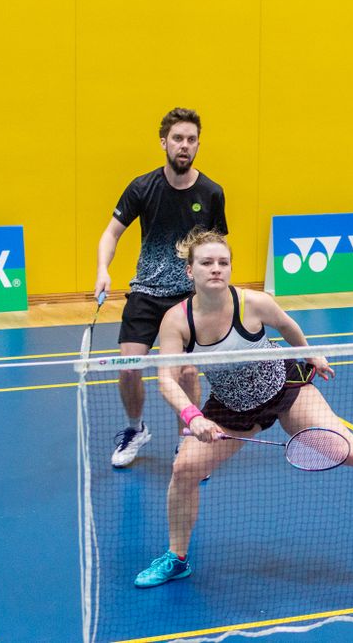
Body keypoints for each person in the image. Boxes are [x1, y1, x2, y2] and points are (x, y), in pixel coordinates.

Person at [134, 230, 353, 588]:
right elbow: (167, 379)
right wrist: (194, 417)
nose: (216, 268)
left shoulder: (254, 303)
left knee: (349, 450)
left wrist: (310, 353)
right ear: (190, 271)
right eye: (206, 263)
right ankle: (177, 558)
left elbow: (287, 325)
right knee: (185, 469)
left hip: (284, 389)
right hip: (231, 408)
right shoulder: (177, 321)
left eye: (223, 262)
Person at [95, 108, 228, 468]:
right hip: (146, 292)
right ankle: (135, 428)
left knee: (186, 372)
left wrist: (217, 287)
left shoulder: (211, 193)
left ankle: (188, 438)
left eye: (191, 139)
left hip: (188, 297)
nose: (184, 145)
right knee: (128, 368)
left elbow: (217, 247)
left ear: (198, 144)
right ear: (163, 142)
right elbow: (111, 233)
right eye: (178, 138)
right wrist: (103, 270)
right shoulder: (142, 187)